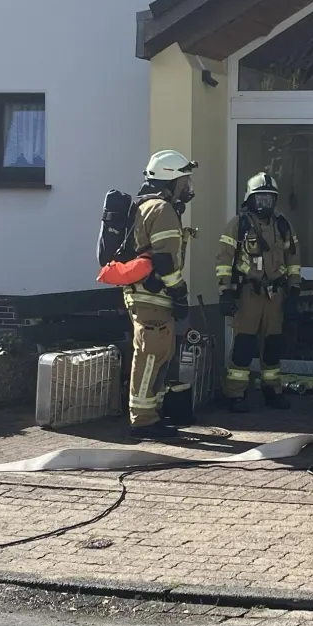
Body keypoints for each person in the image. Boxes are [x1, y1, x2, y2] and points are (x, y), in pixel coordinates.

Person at [215, 173, 303, 413]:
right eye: (259, 198)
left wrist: (294, 290)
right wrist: (225, 292)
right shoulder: (238, 224)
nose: (264, 203)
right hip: (248, 293)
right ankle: (235, 394)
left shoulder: (282, 225)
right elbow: (224, 259)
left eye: (269, 198)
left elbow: (293, 259)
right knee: (243, 345)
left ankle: (272, 390)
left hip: (275, 296)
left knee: (273, 345)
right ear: (250, 199)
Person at [124, 151, 196, 439]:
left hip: (145, 296)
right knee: (150, 356)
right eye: (183, 180)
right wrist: (179, 292)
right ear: (170, 180)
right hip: (153, 298)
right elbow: (165, 260)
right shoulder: (162, 209)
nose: (187, 187)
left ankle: (151, 415)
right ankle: (142, 421)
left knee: (156, 354)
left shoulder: (147, 206)